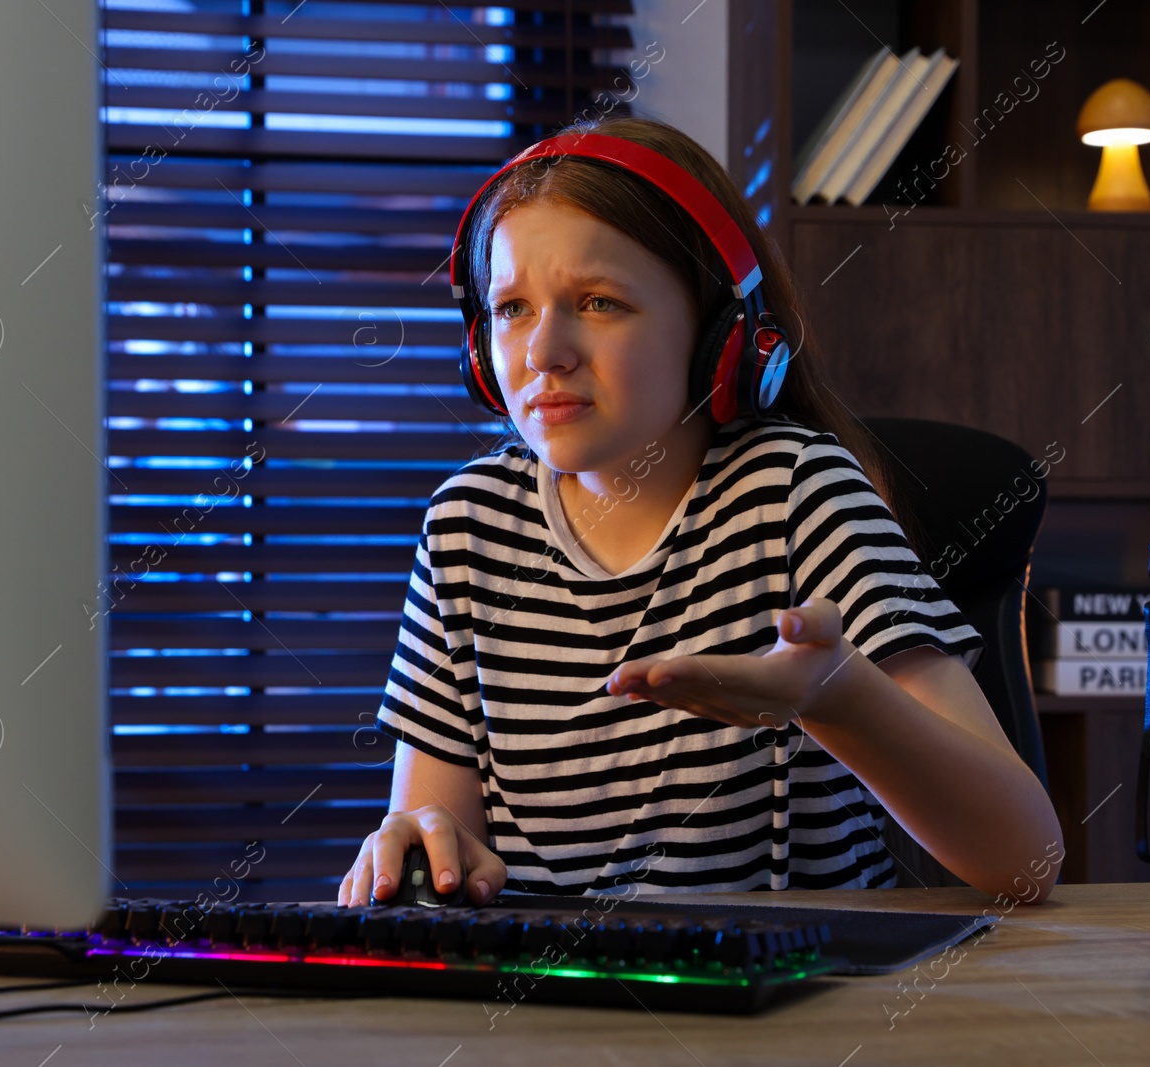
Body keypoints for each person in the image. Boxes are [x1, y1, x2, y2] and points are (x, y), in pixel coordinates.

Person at [339, 113, 1062, 909]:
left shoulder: (796, 492)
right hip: (546, 1014)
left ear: (722, 333)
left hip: (798, 1014)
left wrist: (840, 698)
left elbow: (1026, 856)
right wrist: (418, 840)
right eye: (512, 308)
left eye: (600, 301)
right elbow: (435, 820)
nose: (544, 350)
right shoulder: (465, 526)